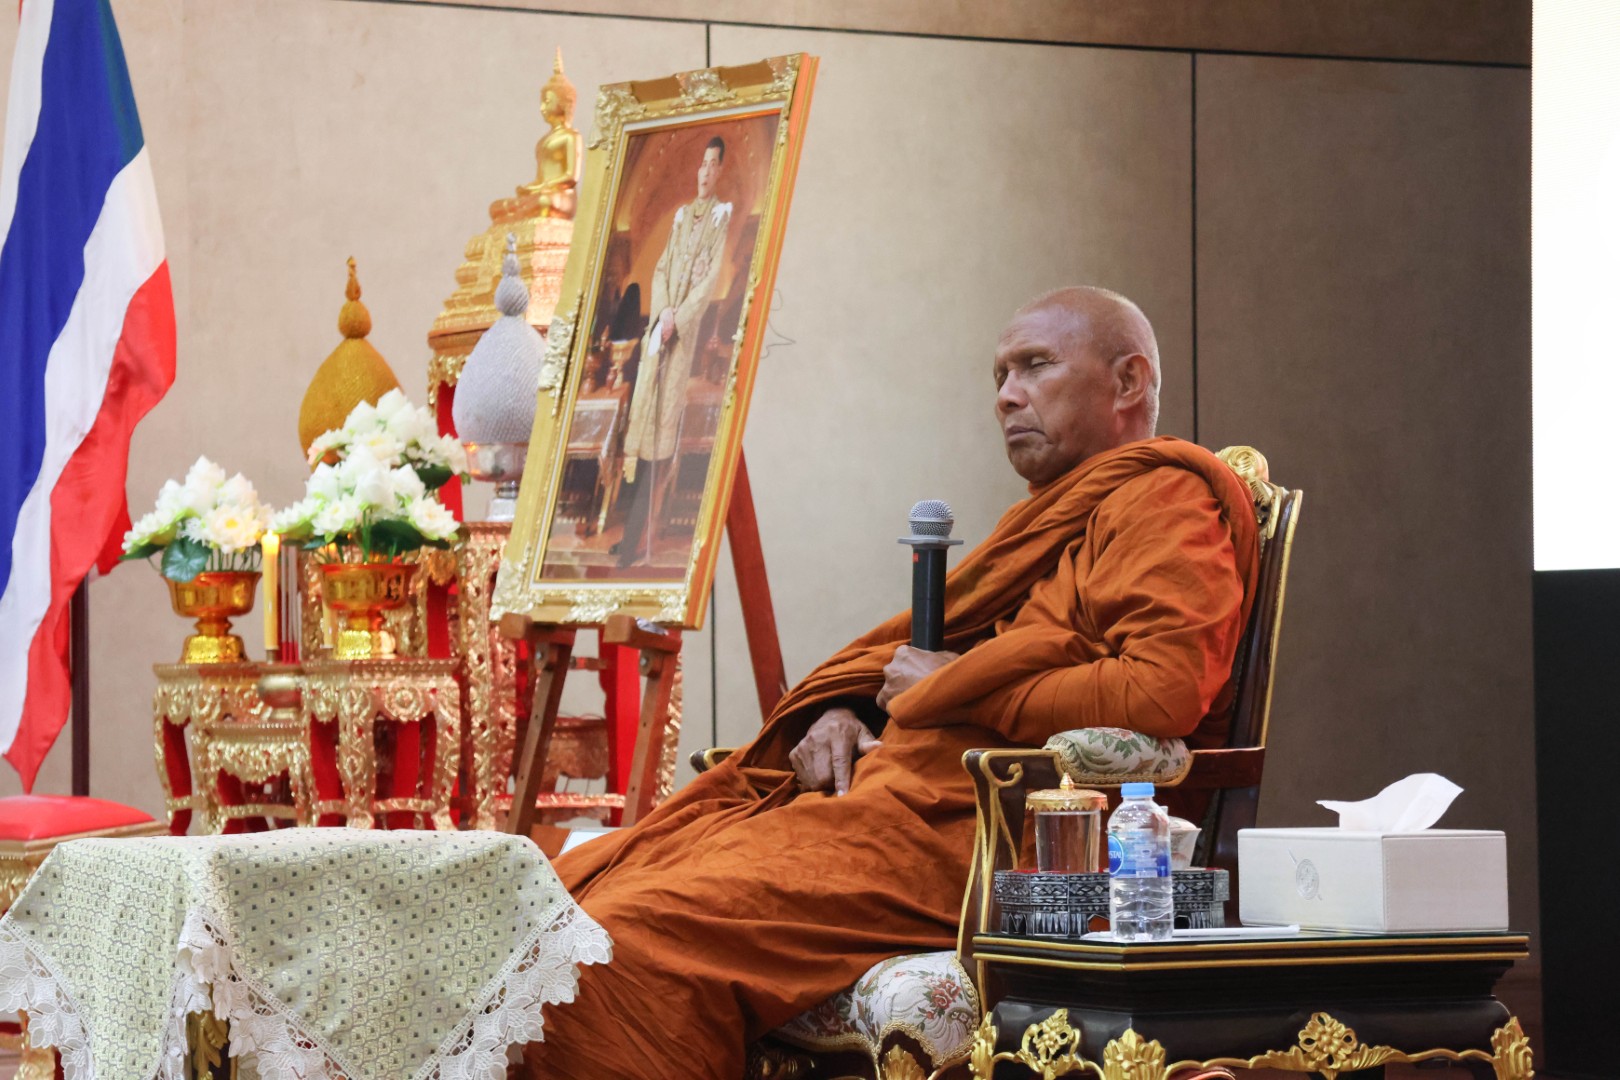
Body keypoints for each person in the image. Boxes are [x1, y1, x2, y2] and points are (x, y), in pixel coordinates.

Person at [521, 286, 1262, 1079]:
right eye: (999, 376)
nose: (1007, 395)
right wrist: (847, 716)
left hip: (999, 839)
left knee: (621, 938)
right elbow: (943, 675)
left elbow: (1160, 692)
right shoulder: (1054, 517)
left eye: (1035, 365)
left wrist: (957, 685)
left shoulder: (1165, 500)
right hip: (890, 805)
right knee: (564, 904)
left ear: (1128, 381)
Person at [613, 135, 734, 568]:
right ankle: (628, 534)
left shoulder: (720, 218)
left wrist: (677, 320)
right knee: (642, 426)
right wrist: (662, 312)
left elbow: (709, 280)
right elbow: (663, 267)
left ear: (720, 171)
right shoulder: (682, 217)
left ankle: (637, 538)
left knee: (661, 439)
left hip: (680, 339)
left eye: (712, 164)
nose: (705, 172)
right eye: (702, 164)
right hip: (659, 332)